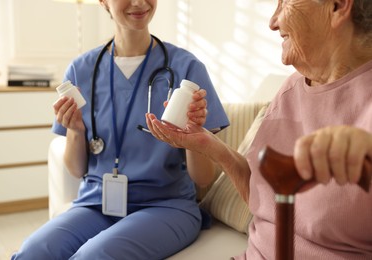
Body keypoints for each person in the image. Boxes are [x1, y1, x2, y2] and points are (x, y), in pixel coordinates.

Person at [146, 0, 372, 259]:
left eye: (285, 2)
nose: (273, 22)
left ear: (337, 6)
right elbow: (262, 200)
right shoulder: (292, 89)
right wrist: (207, 144)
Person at [11, 0, 229, 259]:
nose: (138, 2)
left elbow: (204, 178)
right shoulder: (81, 70)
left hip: (166, 206)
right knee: (32, 252)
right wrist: (76, 131)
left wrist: (194, 135)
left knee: (93, 256)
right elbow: (76, 169)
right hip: (96, 205)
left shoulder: (187, 69)